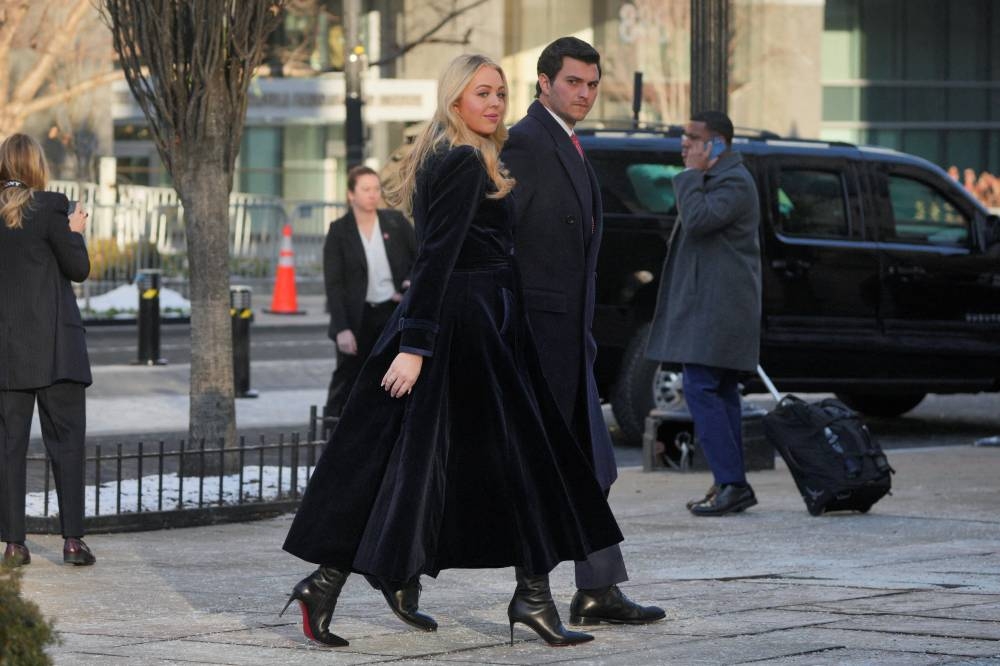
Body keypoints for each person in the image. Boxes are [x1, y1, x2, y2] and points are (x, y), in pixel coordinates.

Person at [281, 53, 623, 648]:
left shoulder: (464, 155)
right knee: (520, 459)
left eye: (499, 93)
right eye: (481, 93)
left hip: (486, 324)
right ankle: (529, 598)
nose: (494, 103)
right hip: (470, 328)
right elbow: (436, 259)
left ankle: (335, 581)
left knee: (430, 461)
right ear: (455, 100)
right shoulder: (463, 161)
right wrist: (414, 347)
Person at [501, 36, 665, 626]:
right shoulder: (525, 142)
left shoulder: (565, 141)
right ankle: (384, 572)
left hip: (569, 338)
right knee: (543, 469)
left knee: (594, 465)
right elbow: (505, 245)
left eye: (593, 85)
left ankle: (597, 588)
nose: (586, 94)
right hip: (538, 340)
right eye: (574, 82)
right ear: (544, 81)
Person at [645, 110, 763, 516]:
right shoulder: (721, 179)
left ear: (717, 144)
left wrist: (692, 175)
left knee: (701, 388)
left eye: (693, 138)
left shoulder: (733, 181)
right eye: (684, 136)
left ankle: (732, 482)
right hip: (711, 306)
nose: (684, 144)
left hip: (720, 310)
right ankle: (729, 482)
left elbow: (698, 220)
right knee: (720, 391)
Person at [0, 133, 96, 567]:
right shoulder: (54, 208)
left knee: (8, 447)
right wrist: (75, 232)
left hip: (7, 354)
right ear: (38, 166)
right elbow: (78, 269)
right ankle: (73, 541)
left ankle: (14, 545)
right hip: (58, 351)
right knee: (67, 444)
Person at [323, 166, 416, 418]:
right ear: (351, 194)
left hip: (392, 312)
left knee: (390, 378)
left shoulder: (395, 223)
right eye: (365, 189)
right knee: (347, 379)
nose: (373, 194)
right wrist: (342, 328)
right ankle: (331, 435)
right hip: (358, 316)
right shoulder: (339, 231)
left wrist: (408, 283)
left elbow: (420, 258)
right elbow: (334, 284)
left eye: (376, 189)